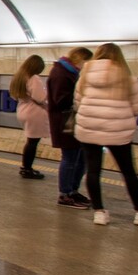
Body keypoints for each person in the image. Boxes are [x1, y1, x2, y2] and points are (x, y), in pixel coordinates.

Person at [74, 42, 138, 226]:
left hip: (89, 127)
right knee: (128, 171)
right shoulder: (128, 78)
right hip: (117, 130)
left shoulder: (85, 75)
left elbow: (78, 102)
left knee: (93, 170)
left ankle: (99, 212)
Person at [48, 46, 93, 209]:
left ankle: (73, 190)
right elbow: (61, 100)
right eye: (86, 62)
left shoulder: (70, 73)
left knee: (79, 158)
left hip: (72, 121)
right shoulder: (61, 73)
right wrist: (82, 98)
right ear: (79, 59)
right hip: (65, 122)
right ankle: (65, 194)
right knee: (69, 158)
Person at [10, 54, 48, 179]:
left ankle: (26, 167)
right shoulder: (33, 78)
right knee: (33, 142)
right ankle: (27, 168)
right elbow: (40, 98)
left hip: (22, 109)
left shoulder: (19, 77)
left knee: (31, 141)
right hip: (34, 112)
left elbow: (14, 96)